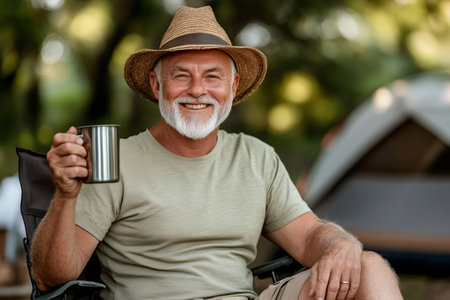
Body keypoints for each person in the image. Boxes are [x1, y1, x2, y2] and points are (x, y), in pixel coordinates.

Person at [31, 6, 403, 300]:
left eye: (212, 75)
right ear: (156, 83)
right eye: (181, 75)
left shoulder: (256, 157)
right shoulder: (114, 161)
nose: (197, 90)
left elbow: (308, 240)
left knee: (369, 266)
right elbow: (52, 276)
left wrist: (340, 245)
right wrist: (66, 195)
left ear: (232, 85)